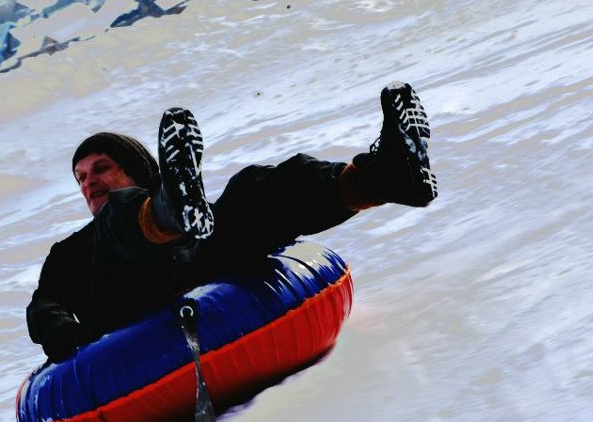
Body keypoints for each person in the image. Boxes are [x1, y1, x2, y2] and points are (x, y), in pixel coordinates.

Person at [26, 81, 437, 363]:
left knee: (251, 191)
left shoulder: (198, 220)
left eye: (101, 168)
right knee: (121, 214)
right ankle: (167, 213)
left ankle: (385, 177)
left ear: (139, 170)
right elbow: (45, 304)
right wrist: (60, 331)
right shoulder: (71, 252)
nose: (89, 182)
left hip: (200, 264)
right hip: (130, 301)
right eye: (81, 178)